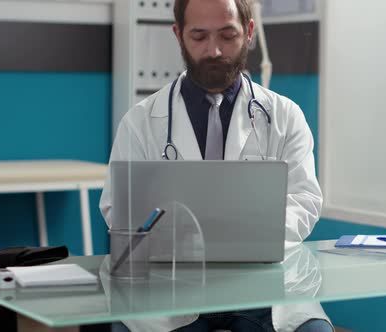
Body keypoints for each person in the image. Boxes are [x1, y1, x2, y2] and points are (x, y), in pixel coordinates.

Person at [100, 0, 333, 331]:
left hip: (262, 285)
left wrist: (250, 240)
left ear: (249, 32)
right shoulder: (140, 122)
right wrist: (178, 241)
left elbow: (306, 199)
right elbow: (117, 207)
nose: (214, 50)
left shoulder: (285, 116)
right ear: (178, 35)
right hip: (172, 287)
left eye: (227, 35)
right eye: (199, 37)